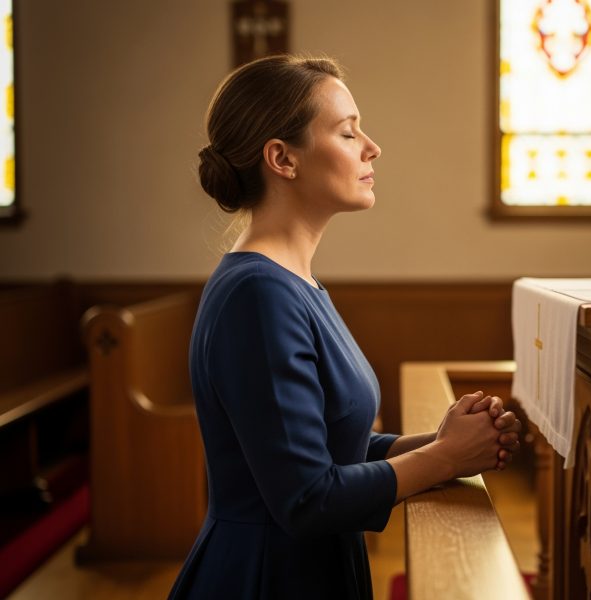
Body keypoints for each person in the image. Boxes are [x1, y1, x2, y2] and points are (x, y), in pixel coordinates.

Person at [168, 55, 522, 600]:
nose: (371, 147)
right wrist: (447, 458)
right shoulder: (258, 294)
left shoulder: (291, 282)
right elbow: (307, 497)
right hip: (266, 579)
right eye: (348, 132)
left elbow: (331, 445)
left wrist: (444, 440)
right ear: (283, 159)